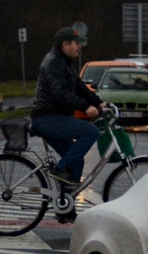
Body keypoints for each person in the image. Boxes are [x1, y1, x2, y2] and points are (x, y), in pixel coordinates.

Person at [30, 27, 104, 194]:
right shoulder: (53, 63)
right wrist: (85, 107)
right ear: (65, 44)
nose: (80, 47)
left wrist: (98, 103)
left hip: (55, 118)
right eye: (77, 44)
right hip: (48, 118)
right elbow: (60, 93)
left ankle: (66, 210)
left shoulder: (63, 62)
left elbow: (79, 87)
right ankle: (59, 168)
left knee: (76, 161)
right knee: (92, 132)